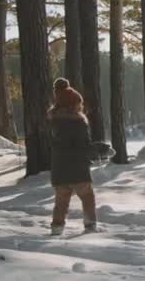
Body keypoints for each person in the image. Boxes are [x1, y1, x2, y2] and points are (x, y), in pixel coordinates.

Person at [48, 78, 97, 235]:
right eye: (78, 103)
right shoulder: (78, 122)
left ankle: (56, 227)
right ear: (72, 104)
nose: (80, 106)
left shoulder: (54, 121)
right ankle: (90, 225)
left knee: (61, 201)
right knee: (88, 197)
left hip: (59, 169)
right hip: (78, 169)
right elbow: (83, 146)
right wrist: (98, 150)